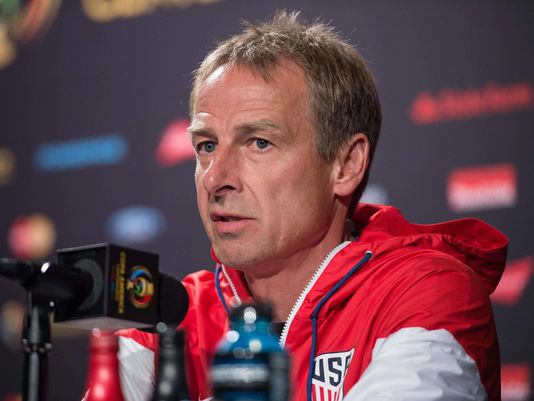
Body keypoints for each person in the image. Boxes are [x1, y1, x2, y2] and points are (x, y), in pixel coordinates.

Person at [117, 11, 508, 401]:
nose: (215, 178)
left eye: (259, 142)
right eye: (206, 146)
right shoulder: (171, 318)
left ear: (346, 164)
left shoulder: (427, 293)